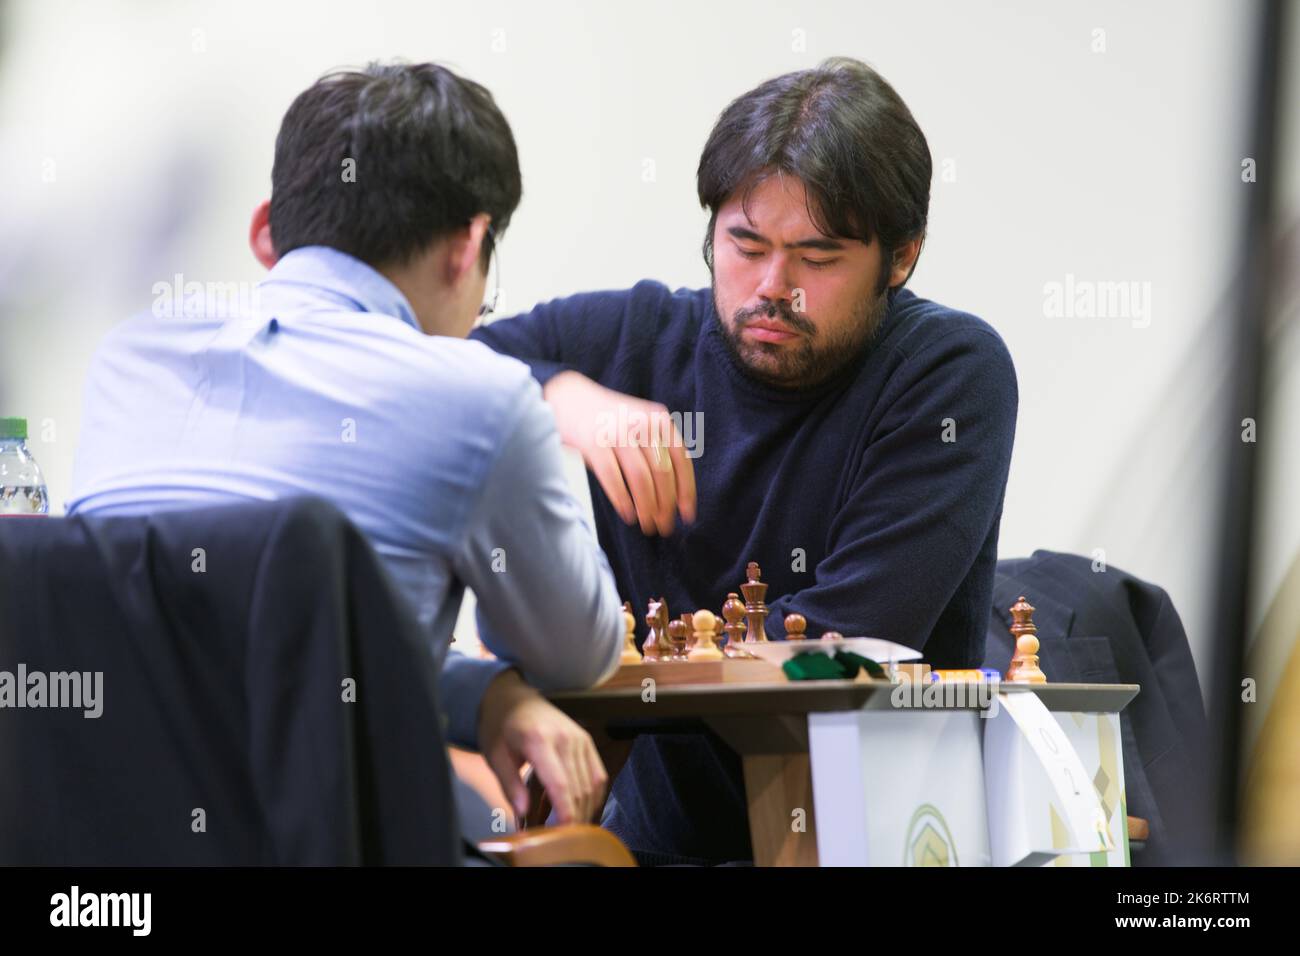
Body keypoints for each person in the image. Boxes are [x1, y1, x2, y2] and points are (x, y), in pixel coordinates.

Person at [471, 57, 1019, 864]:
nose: (774, 288)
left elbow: (838, 650)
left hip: (866, 836)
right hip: (658, 844)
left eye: (819, 258)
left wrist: (613, 679)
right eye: (745, 243)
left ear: (901, 259)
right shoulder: (636, 338)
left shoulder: (949, 371)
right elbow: (424, 367)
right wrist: (562, 399)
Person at [68, 62, 624, 832]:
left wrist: (479, 696)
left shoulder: (126, 363)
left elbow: (226, 660)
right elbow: (576, 652)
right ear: (469, 246)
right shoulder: (478, 396)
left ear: (267, 231)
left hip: (102, 855)